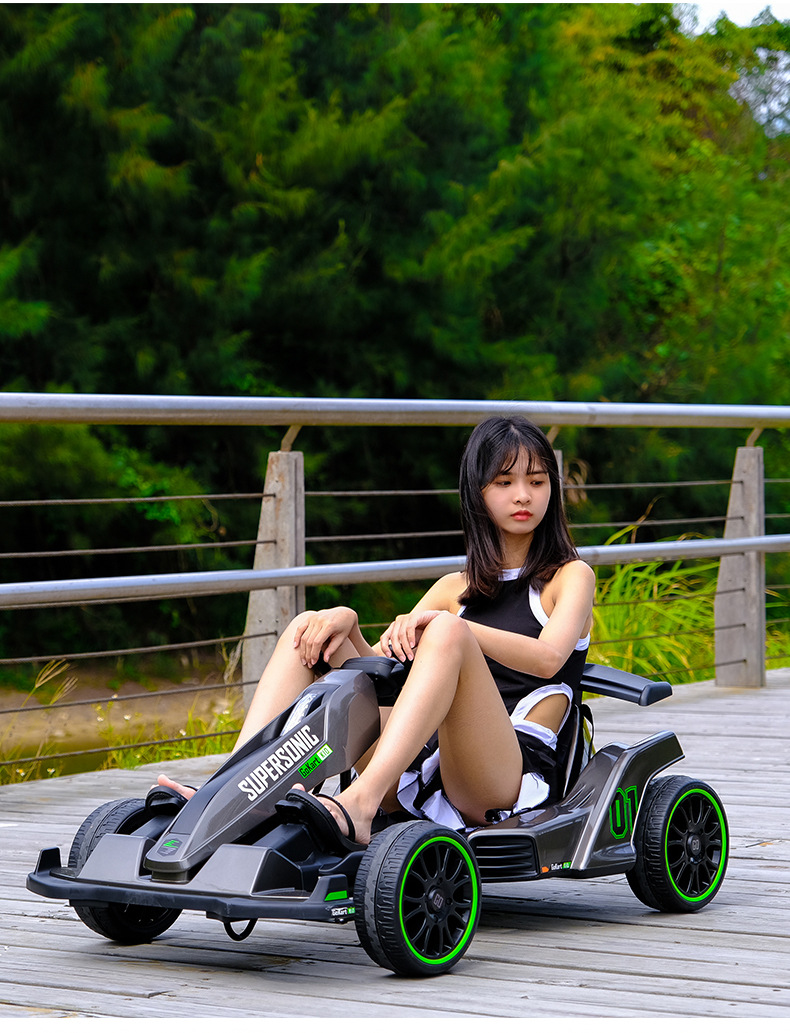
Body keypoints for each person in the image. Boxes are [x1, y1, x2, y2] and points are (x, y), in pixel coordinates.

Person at [158, 416, 594, 848]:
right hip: (426, 760)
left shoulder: (570, 576)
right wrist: (348, 627)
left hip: (505, 778)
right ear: (476, 492)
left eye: (537, 482)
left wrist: (456, 628)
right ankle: (230, 794)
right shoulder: (452, 589)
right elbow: (386, 675)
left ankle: (361, 803)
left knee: (446, 630)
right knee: (308, 631)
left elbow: (549, 658)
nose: (523, 495)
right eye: (504, 482)